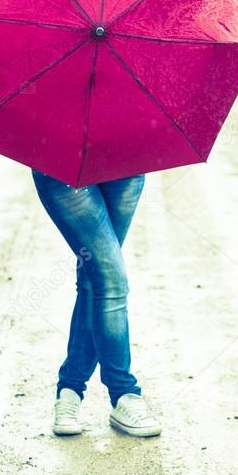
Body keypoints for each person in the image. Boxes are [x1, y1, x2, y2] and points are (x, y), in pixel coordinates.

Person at [31, 168, 161, 438]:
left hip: (126, 163)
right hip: (61, 167)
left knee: (96, 278)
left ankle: (69, 391)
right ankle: (123, 392)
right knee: (111, 279)